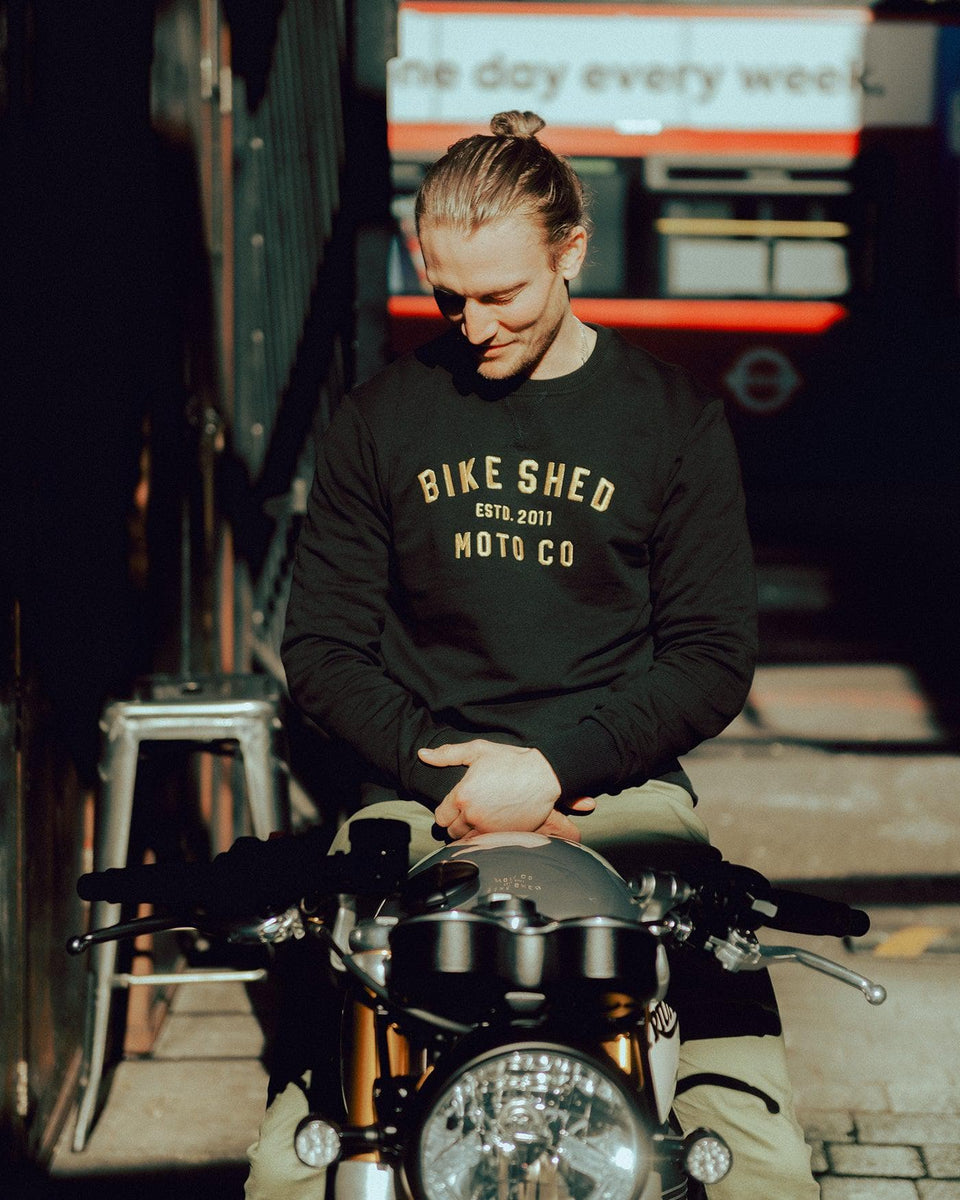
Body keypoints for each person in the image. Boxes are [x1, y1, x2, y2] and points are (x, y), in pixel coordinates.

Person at [247, 110, 818, 1199]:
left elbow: (710, 655)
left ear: (571, 252)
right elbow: (321, 650)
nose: (471, 325)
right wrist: (446, 776)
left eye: (500, 293)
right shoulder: (379, 420)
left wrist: (550, 766)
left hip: (624, 795)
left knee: (761, 1167)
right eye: (446, 295)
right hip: (421, 803)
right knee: (296, 1169)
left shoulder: (672, 421)